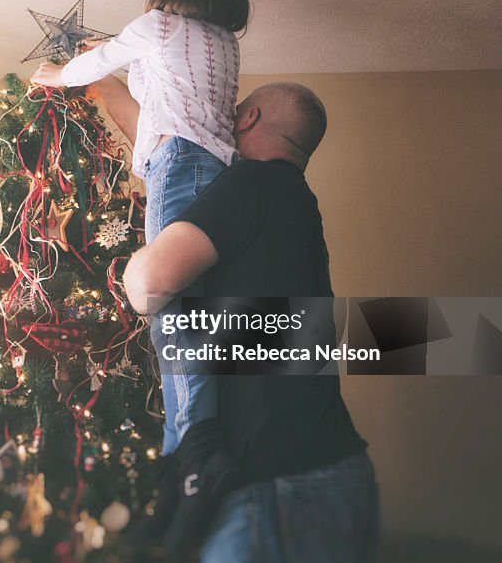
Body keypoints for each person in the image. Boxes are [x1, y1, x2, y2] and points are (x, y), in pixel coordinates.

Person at [31, 0, 249, 544]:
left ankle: (193, 457)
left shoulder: (157, 27)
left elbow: (85, 68)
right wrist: (112, 84)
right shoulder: (222, 43)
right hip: (216, 173)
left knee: (170, 314)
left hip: (177, 168)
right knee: (201, 313)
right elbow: (153, 101)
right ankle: (196, 449)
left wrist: (52, 73)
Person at [122, 82, 379, 562]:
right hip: (331, 471)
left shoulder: (252, 184)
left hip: (274, 484)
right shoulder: (295, 202)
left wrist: (131, 262)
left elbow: (148, 286)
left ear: (249, 118)